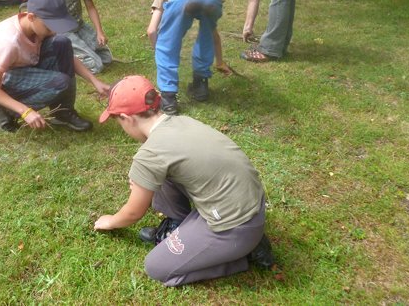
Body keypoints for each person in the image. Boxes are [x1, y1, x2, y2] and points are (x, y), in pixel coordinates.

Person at [94, 75, 275, 287]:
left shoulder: (151, 154)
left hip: (233, 227)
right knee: (161, 175)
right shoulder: (181, 122)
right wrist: (143, 180)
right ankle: (180, 224)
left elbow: (134, 212)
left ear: (127, 118)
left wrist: (110, 221)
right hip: (251, 208)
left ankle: (241, 255)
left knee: (157, 266)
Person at [0, 0, 110, 133]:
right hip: (0, 82)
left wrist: (94, 81)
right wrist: (25, 111)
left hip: (22, 64)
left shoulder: (38, 27)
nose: (53, 31)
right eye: (49, 27)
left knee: (62, 42)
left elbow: (68, 57)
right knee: (60, 82)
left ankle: (63, 113)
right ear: (31, 17)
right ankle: (3, 107)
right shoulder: (9, 43)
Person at [146, 0, 232, 115]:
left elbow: (151, 31)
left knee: (166, 44)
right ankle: (201, 86)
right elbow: (213, 36)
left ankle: (168, 99)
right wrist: (220, 62)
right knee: (206, 37)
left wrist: (159, 51)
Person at [33, 0, 112, 74]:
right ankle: (64, 58)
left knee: (107, 58)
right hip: (63, 33)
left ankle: (77, 53)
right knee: (96, 66)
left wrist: (99, 32)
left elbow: (91, 8)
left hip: (79, 26)